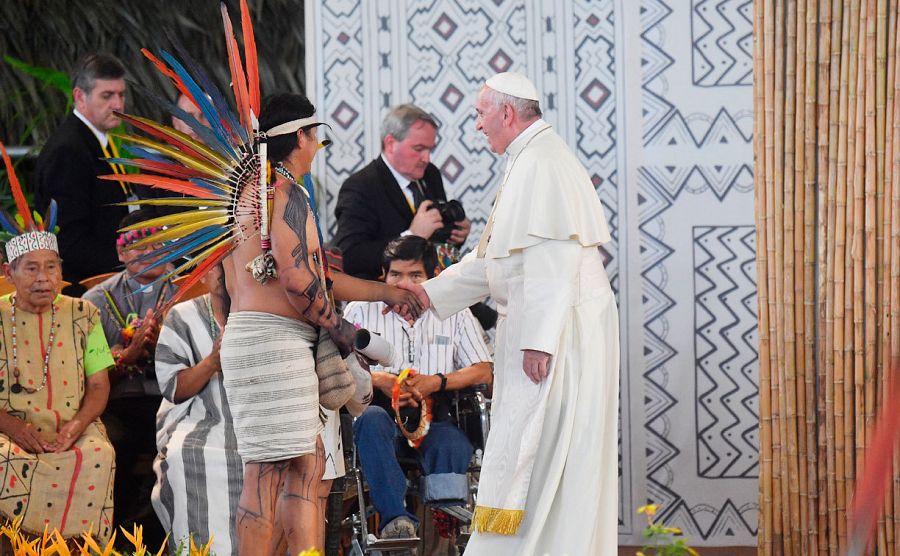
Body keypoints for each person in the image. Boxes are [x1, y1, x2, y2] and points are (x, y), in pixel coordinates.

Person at [399, 72, 620, 555]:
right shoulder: (528, 159)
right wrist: (427, 295)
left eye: (481, 114)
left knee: (546, 455)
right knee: (532, 457)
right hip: (545, 326)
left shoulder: (542, 162)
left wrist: (539, 341)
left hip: (559, 334)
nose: (477, 125)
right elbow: (497, 262)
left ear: (506, 112)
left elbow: (553, 258)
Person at [220, 92, 422, 555]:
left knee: (306, 465)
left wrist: (389, 292)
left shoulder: (249, 195)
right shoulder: (284, 193)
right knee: (266, 474)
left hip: (256, 339)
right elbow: (296, 278)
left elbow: (318, 277)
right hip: (274, 345)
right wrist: (340, 330)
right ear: (302, 137)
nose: (317, 147)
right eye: (317, 137)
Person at [346, 236, 492, 543]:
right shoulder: (360, 311)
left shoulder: (454, 312)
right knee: (370, 421)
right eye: (395, 275)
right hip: (381, 416)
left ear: (434, 276)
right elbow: (339, 368)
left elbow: (484, 369)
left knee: (452, 444)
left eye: (415, 275)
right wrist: (380, 380)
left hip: (435, 417)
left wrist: (436, 382)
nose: (404, 285)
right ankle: (396, 522)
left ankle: (448, 528)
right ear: (383, 276)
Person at [0, 154, 116, 542]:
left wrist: (77, 426)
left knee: (99, 454)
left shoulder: (85, 314)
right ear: (9, 272)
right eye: (31, 268)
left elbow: (98, 385)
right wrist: (14, 427)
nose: (44, 278)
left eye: (51, 267)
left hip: (73, 425)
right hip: (7, 430)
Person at [83, 209, 174, 548]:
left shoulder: (190, 293)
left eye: (159, 243)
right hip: (115, 402)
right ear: (121, 252)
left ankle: (152, 542)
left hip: (172, 401)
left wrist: (163, 347)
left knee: (174, 447)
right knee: (109, 446)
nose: (150, 251)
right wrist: (128, 355)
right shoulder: (93, 302)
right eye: (139, 244)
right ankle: (115, 538)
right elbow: (87, 377)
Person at [152, 263, 242, 555]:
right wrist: (212, 362)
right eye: (215, 266)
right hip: (199, 421)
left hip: (255, 423)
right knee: (182, 457)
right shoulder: (183, 316)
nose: (223, 273)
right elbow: (174, 389)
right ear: (202, 273)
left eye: (229, 263)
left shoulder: (266, 312)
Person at [334, 104, 471, 281]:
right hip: (386, 293)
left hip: (432, 286)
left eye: (430, 149)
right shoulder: (360, 186)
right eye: (419, 149)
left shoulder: (431, 174)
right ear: (390, 144)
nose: (427, 158)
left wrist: (455, 235)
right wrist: (411, 236)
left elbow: (436, 242)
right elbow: (351, 256)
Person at [34, 53, 130, 295]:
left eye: (121, 95)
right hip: (84, 292)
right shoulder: (68, 150)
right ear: (79, 96)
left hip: (104, 282)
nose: (117, 104)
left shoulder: (94, 140)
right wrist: (132, 263)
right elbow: (69, 241)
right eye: (107, 96)